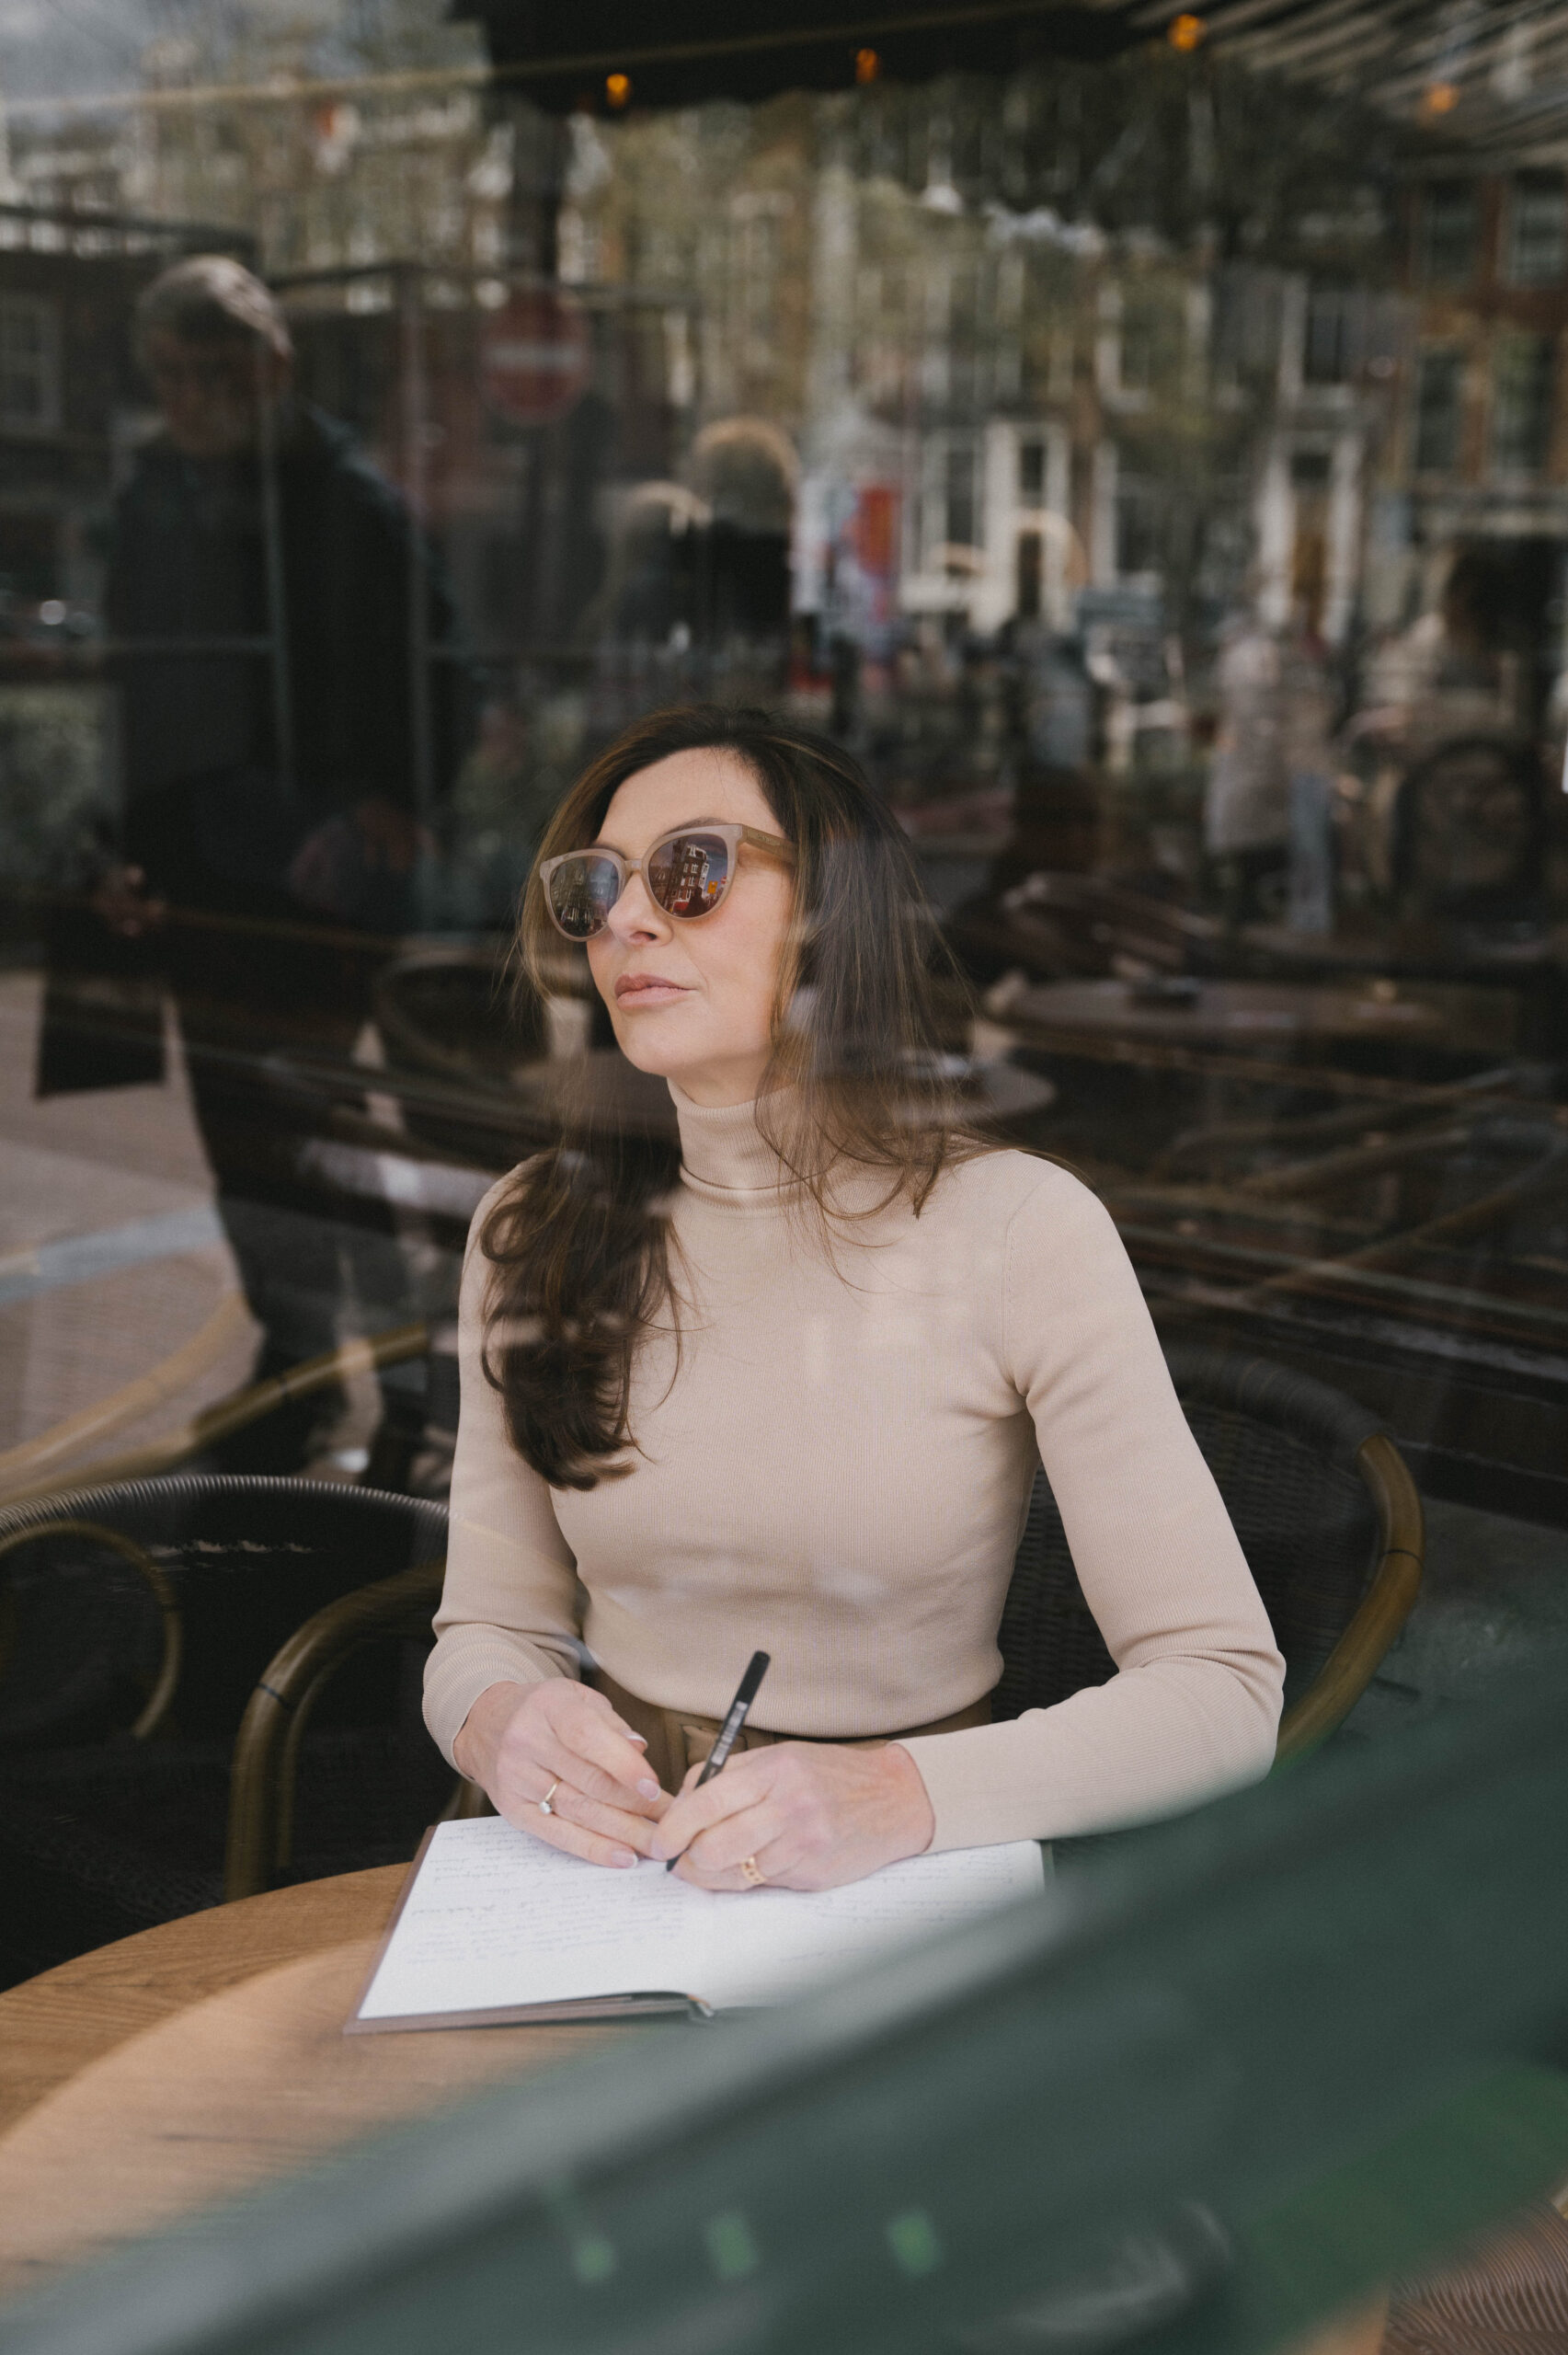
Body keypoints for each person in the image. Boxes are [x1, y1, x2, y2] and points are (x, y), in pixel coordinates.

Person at [425, 706, 1283, 1891]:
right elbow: (487, 1625)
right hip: (603, 1867)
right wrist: (497, 1722)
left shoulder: (1020, 1229)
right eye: (597, 885)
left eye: (690, 870)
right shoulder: (535, 1228)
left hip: (900, 1872)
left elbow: (1222, 1692)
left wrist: (898, 1794)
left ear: (833, 909)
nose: (627, 918)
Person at [82, 256, 475, 1469]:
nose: (194, 398)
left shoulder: (347, 504)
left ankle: (403, 1382)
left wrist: (396, 799)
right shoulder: (156, 498)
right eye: (172, 375)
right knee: (243, 1136)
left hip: (316, 879)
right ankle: (299, 1365)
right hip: (200, 871)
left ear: (274, 368)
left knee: (325, 1135)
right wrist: (118, 844)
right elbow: (135, 686)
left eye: (217, 372)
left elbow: (440, 670)